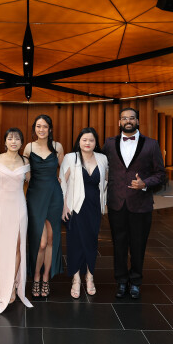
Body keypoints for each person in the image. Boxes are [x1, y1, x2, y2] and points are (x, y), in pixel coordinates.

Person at [102, 107, 166, 299]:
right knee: (118, 245)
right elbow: (101, 167)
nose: (127, 121)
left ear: (137, 121)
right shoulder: (109, 143)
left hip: (141, 204)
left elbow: (161, 174)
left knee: (138, 245)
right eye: (124, 118)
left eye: (131, 118)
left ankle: (136, 281)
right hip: (117, 203)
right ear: (119, 122)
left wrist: (145, 183)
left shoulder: (151, 144)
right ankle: (121, 281)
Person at [60, 127, 108, 299]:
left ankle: (89, 276)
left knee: (91, 242)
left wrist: (104, 203)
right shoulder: (70, 157)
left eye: (91, 140)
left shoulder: (102, 158)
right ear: (79, 141)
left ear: (96, 143)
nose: (88, 143)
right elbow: (62, 183)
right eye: (84, 140)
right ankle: (75, 279)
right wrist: (64, 207)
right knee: (75, 243)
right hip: (75, 207)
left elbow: (106, 182)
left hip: (93, 207)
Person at [0, 128, 33, 314]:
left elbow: (32, 183)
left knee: (17, 246)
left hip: (19, 207)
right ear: (5, 142)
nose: (13, 141)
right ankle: (2, 285)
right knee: (1, 247)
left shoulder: (25, 162)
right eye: (10, 138)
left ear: (22, 142)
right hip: (0, 207)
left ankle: (13, 286)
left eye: (17, 139)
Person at [23, 114, 64, 297]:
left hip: (54, 195)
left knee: (51, 240)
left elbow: (64, 171)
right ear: (34, 128)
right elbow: (26, 174)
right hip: (36, 196)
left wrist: (62, 183)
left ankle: (45, 277)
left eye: (45, 126)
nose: (41, 129)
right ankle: (36, 276)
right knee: (41, 242)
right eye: (38, 126)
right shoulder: (29, 147)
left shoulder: (57, 147)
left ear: (50, 129)